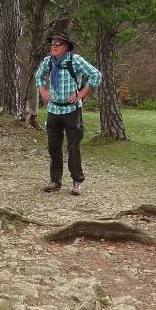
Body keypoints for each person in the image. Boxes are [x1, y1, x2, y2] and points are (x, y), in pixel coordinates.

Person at [34, 31, 103, 195]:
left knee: (73, 147)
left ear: (66, 47)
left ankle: (77, 182)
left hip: (72, 110)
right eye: (52, 44)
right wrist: (42, 90)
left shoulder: (75, 60)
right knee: (53, 147)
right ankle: (55, 181)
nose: (54, 46)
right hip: (53, 110)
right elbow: (39, 76)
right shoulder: (48, 62)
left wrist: (83, 92)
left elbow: (96, 75)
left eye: (58, 44)